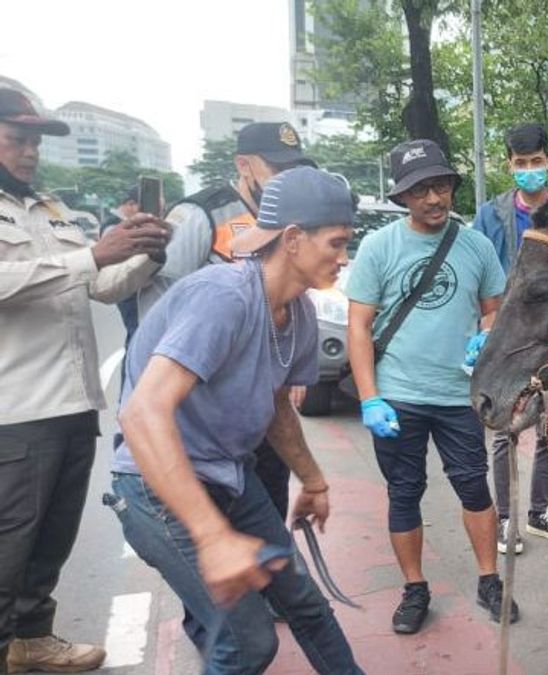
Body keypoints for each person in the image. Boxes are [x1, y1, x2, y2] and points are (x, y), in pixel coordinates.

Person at [112, 166, 362, 674]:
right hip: (155, 489)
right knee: (248, 643)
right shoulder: (224, 297)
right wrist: (212, 537)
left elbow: (275, 409)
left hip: (229, 474)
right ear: (292, 239)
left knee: (307, 606)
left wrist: (313, 480)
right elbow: (142, 412)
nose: (344, 257)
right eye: (336, 243)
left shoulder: (303, 314)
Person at [0, 88, 168, 674]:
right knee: (8, 547)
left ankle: (31, 638)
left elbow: (99, 287)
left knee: (50, 540)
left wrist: (145, 254)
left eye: (34, 142)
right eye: (17, 139)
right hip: (15, 410)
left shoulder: (48, 208)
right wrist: (94, 256)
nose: (29, 153)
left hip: (71, 403)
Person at [346, 139, 515, 635]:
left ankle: (490, 581)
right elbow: (359, 327)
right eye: (420, 190)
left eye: (440, 186)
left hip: (458, 395)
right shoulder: (380, 247)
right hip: (397, 395)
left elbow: (493, 309)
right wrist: (369, 397)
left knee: (473, 486)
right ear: (403, 197)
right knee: (404, 492)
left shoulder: (477, 246)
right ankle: (414, 588)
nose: (434, 198)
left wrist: (484, 339)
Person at [139, 122, 317, 523]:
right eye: (276, 169)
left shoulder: (292, 220)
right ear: (244, 165)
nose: (284, 179)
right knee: (210, 526)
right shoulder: (200, 214)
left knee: (269, 514)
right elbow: (163, 306)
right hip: (203, 410)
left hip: (260, 406)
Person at [471, 123, 548, 553]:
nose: (529, 170)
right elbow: (478, 274)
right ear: (509, 164)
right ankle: (506, 518)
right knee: (506, 426)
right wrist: (480, 331)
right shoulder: (491, 214)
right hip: (506, 334)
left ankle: (539, 510)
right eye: (520, 163)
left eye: (535, 162)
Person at [102, 186, 143, 342]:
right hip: (128, 288)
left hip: (133, 285)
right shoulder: (114, 226)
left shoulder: (123, 224)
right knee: (136, 334)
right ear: (131, 204)